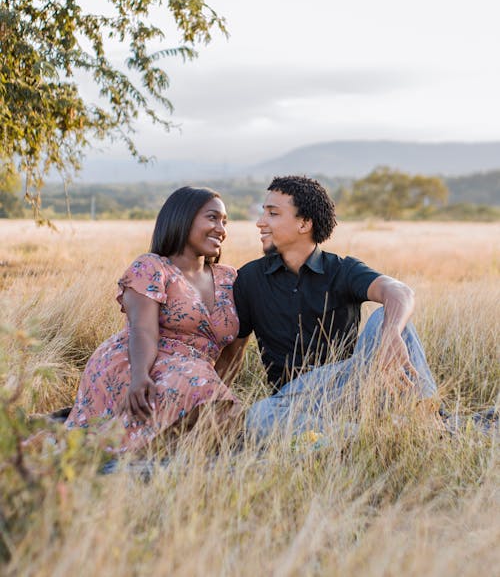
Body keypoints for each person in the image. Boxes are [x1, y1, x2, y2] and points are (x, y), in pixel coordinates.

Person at [231, 175, 438, 441]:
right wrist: (216, 404)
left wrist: (391, 332)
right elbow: (233, 352)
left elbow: (399, 291)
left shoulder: (343, 269)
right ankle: (366, 438)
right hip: (293, 401)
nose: (261, 222)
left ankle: (428, 420)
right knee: (259, 415)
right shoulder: (248, 278)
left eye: (272, 213)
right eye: (263, 213)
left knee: (391, 318)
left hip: (353, 385)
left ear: (304, 223)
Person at [65, 186, 244, 453]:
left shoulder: (230, 278)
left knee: (226, 416)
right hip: (140, 363)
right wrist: (139, 376)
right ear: (182, 218)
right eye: (212, 218)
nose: (221, 228)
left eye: (224, 222)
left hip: (194, 373)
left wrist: (217, 390)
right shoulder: (152, 267)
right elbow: (143, 329)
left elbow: (234, 349)